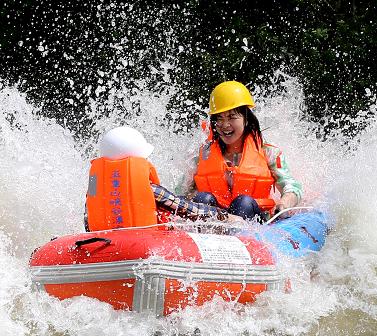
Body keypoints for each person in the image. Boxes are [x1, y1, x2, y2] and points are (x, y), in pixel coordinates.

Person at [176, 81, 303, 221]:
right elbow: (181, 193)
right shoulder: (201, 155)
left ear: (246, 119)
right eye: (219, 118)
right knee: (202, 199)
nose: (224, 125)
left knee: (243, 203)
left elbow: (292, 187)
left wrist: (284, 204)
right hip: (214, 221)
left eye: (232, 117)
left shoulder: (268, 151)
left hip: (252, 221)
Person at [85, 126, 238, 232]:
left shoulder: (94, 187)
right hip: (141, 244)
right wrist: (225, 216)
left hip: (104, 245)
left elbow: (88, 222)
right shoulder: (150, 189)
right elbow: (186, 209)